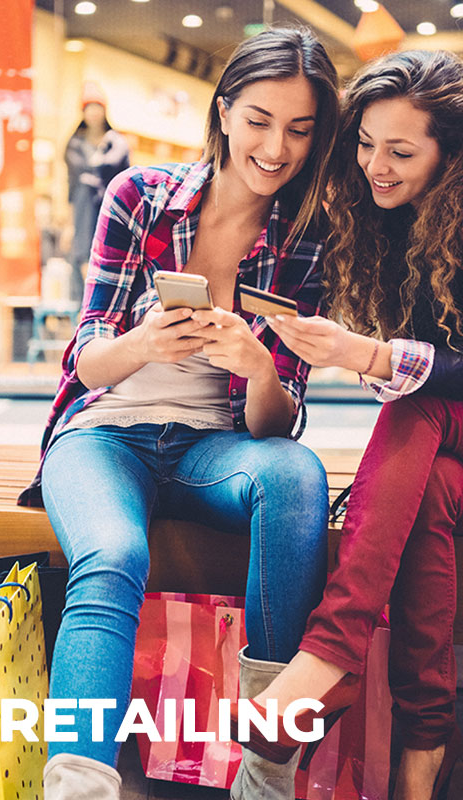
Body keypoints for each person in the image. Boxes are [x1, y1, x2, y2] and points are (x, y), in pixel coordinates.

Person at [19, 28, 340, 800]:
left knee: (297, 476)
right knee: (113, 554)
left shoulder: (311, 240)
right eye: (260, 119)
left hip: (212, 451)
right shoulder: (140, 197)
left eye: (300, 130)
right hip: (104, 438)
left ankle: (266, 771)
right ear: (224, 111)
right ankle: (80, 786)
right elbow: (86, 361)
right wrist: (144, 342)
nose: (276, 147)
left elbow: (275, 427)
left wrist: (259, 366)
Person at [242, 49, 463, 800]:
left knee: (421, 404)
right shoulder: (388, 221)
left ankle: (329, 655)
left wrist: (370, 353)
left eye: (401, 152)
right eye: (366, 144)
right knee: (427, 491)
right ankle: (419, 763)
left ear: (451, 152)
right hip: (444, 452)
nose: (376, 166)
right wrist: (351, 351)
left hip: (441, 415)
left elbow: (440, 374)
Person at [64, 82, 130, 303]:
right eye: (88, 107)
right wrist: (67, 224)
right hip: (84, 215)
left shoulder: (117, 144)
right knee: (82, 258)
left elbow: (127, 181)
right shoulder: (74, 146)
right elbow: (72, 187)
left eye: (97, 107)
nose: (93, 113)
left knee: (112, 256)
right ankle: (85, 308)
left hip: (112, 210)